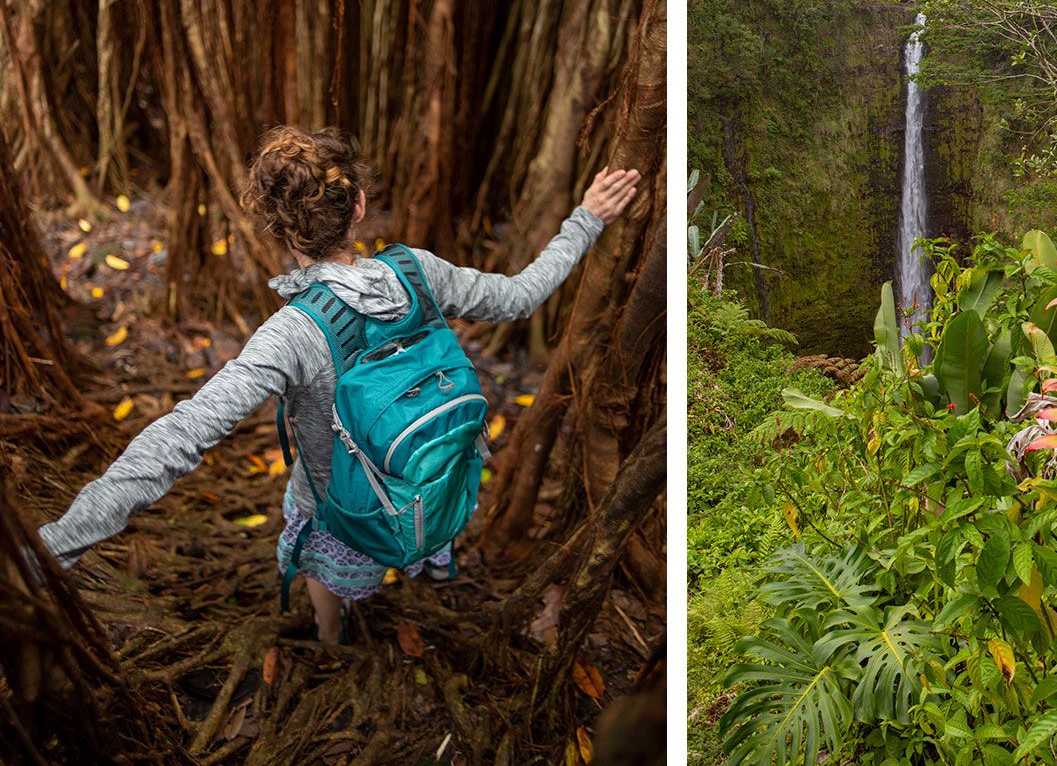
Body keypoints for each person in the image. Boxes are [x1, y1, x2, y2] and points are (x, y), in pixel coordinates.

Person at [36, 125, 640, 644]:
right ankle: (407, 565)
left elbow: (181, 435)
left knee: (324, 564)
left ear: (276, 228)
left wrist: (54, 547)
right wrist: (587, 218)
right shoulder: (420, 272)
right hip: (436, 480)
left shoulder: (290, 335)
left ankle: (331, 636)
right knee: (401, 521)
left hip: (343, 510)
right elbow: (522, 294)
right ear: (358, 206)